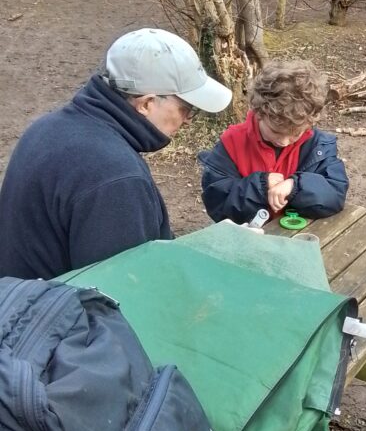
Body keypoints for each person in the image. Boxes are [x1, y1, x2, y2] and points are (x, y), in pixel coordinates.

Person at [0, 27, 232, 279]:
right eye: (187, 108)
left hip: (21, 305)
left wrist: (208, 246)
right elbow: (129, 292)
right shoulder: (115, 178)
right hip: (52, 316)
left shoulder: (49, 127)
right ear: (146, 104)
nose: (188, 120)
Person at [199, 59, 348, 225]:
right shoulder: (232, 143)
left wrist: (296, 187)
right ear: (259, 113)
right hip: (246, 239)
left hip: (298, 237)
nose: (284, 142)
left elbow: (335, 194)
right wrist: (260, 187)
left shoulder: (318, 146)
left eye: (295, 134)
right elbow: (218, 205)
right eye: (276, 132)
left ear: (310, 122)